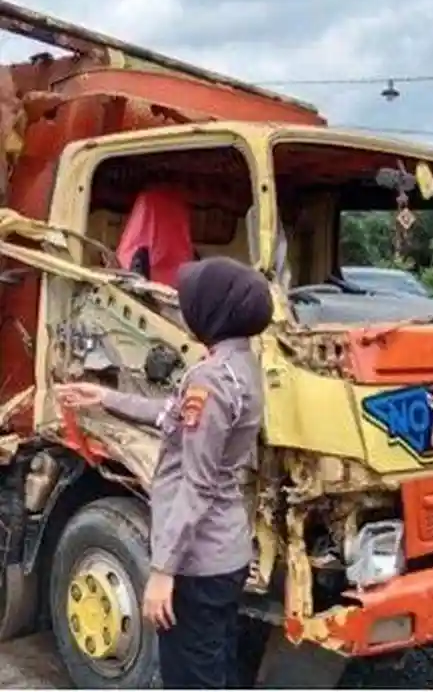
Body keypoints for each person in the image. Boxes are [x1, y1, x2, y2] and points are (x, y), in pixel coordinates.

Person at [56, 256, 274, 689]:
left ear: (213, 313)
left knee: (191, 678)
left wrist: (161, 572)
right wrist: (105, 396)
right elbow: (170, 415)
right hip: (226, 551)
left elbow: (197, 486)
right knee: (216, 664)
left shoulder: (209, 381)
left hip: (199, 562)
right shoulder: (241, 367)